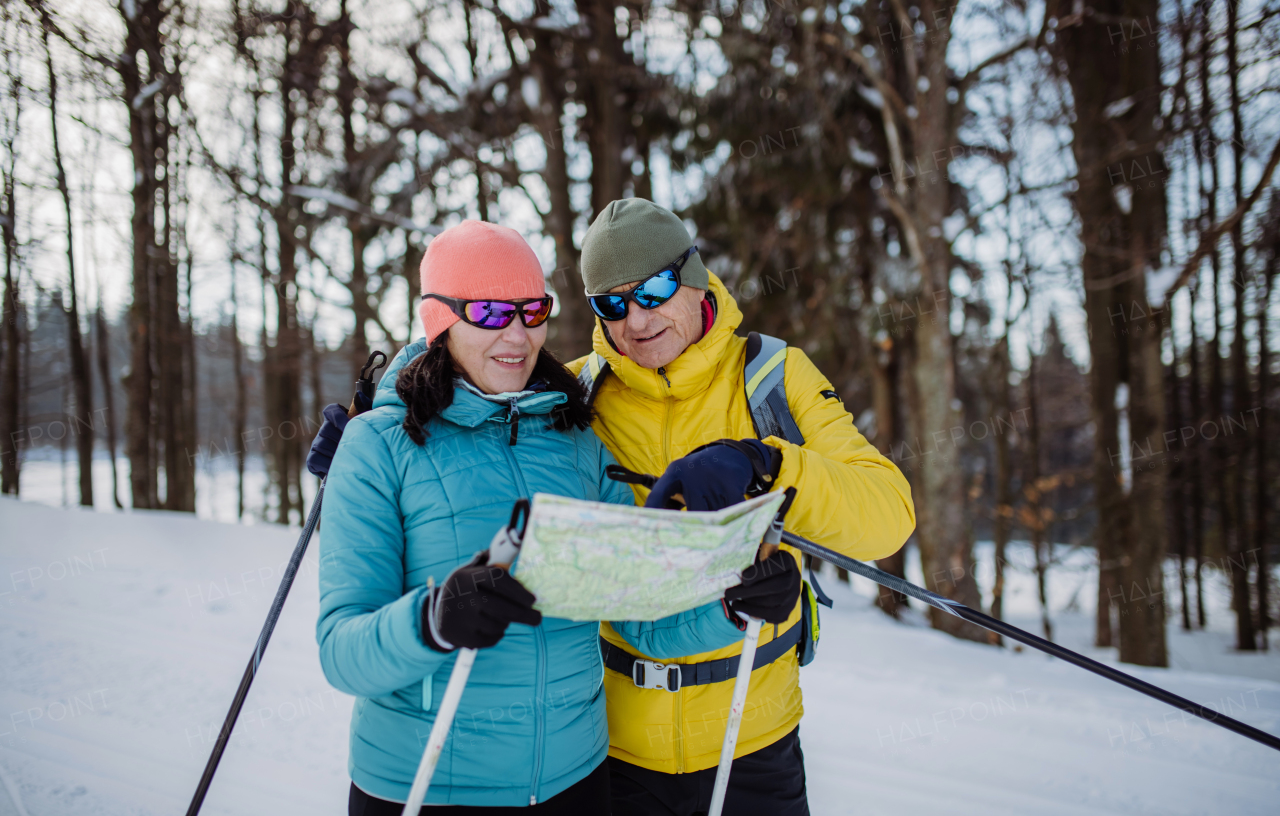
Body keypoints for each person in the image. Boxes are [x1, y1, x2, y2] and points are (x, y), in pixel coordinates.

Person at [314, 221, 794, 814]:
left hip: (577, 784)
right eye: (490, 313)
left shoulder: (577, 441)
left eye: (533, 310)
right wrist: (434, 618)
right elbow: (341, 650)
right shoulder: (379, 445)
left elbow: (639, 612)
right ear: (440, 319)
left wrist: (728, 605)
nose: (517, 335)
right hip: (429, 785)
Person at [571, 198, 916, 816]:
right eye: (611, 303)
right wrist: (369, 431)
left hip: (754, 746)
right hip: (617, 754)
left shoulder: (773, 378)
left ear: (693, 273)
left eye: (652, 290)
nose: (635, 319)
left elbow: (887, 515)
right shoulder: (574, 397)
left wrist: (767, 465)